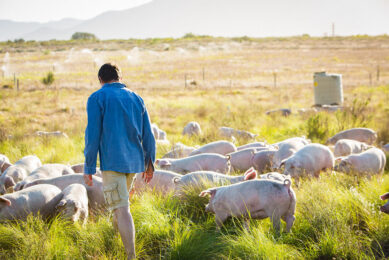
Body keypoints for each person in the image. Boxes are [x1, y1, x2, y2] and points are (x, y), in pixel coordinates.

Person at [83, 63, 156, 259]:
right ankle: (115, 242)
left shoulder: (97, 98)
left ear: (100, 80)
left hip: (113, 163)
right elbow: (148, 134)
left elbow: (92, 135)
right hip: (133, 163)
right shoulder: (136, 98)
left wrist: (89, 166)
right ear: (120, 77)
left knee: (122, 209)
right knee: (120, 206)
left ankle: (130, 256)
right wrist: (150, 163)